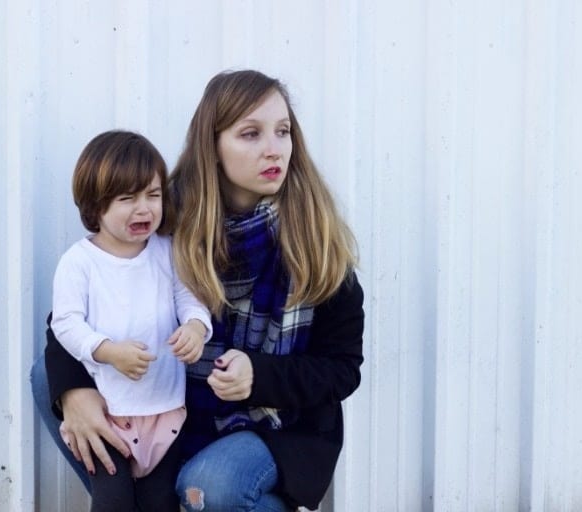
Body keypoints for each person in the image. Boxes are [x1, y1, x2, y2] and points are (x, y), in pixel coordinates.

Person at [31, 69, 365, 511]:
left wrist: (257, 376)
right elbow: (70, 318)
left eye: (283, 132)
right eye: (251, 133)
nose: (274, 149)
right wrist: (74, 396)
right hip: (172, 402)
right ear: (213, 145)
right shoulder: (162, 214)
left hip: (278, 424)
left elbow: (343, 368)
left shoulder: (314, 237)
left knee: (209, 485)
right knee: (47, 378)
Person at [49, 129, 213, 511]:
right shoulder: (81, 262)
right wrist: (108, 352)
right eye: (127, 198)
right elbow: (66, 324)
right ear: (95, 206)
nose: (144, 208)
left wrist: (195, 327)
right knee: (114, 501)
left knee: (159, 503)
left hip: (165, 409)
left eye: (153, 195)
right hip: (107, 413)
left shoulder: (167, 253)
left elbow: (191, 299)